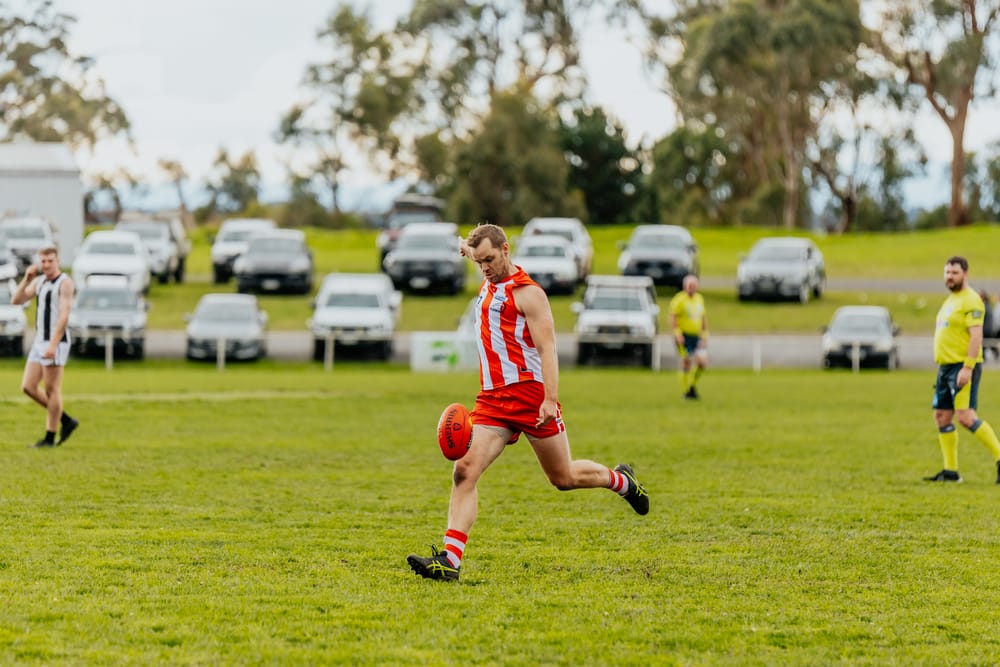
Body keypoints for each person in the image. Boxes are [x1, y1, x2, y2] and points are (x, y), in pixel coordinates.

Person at [407, 223, 649, 582]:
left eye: (489, 259)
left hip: (530, 398)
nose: (484, 267)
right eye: (479, 262)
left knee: (563, 478)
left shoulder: (529, 294)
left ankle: (622, 481)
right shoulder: (488, 278)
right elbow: (473, 249)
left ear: (506, 250)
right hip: (491, 402)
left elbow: (548, 348)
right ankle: (450, 561)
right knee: (464, 471)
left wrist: (550, 399)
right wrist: (466, 247)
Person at [924, 256, 1000, 483]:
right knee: (942, 416)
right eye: (947, 272)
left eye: (954, 273)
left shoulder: (971, 300)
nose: (949, 277)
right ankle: (951, 471)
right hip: (945, 367)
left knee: (965, 416)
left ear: (966, 274)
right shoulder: (950, 300)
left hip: (962, 366)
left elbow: (977, 336)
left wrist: (967, 368)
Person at [11, 245, 80, 448]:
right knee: (28, 387)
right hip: (39, 340)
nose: (47, 264)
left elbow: (64, 315)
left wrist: (53, 343)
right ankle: (66, 420)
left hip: (55, 342)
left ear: (57, 261)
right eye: (43, 261)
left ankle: (50, 437)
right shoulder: (40, 281)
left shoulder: (65, 283)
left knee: (52, 389)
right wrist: (27, 279)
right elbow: (16, 300)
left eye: (50, 260)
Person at [669, 274, 708, 399]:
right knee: (686, 362)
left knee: (702, 363)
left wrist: (704, 335)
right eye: (689, 286)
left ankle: (692, 385)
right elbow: (673, 317)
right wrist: (677, 334)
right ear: (684, 286)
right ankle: (687, 390)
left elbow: (703, 318)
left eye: (694, 286)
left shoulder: (699, 299)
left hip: (696, 335)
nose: (691, 288)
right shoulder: (679, 300)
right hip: (684, 336)